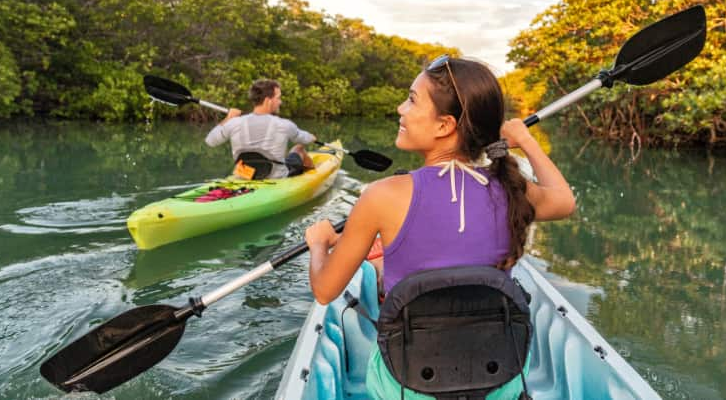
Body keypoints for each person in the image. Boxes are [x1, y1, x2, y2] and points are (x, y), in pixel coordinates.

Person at [304, 55, 577, 398]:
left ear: (445, 125)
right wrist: (525, 140)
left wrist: (318, 244)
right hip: (497, 383)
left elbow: (326, 291)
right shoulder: (511, 189)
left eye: (412, 100)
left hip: (408, 386)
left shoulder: (381, 196)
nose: (401, 109)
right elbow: (564, 201)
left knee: (377, 273)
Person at [204, 79, 316, 179]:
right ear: (268, 100)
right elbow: (304, 139)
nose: (280, 102)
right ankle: (314, 179)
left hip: (245, 175)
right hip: (276, 178)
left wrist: (228, 118)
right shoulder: (284, 125)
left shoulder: (234, 123)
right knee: (298, 148)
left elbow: (210, 141)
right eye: (278, 98)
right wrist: (312, 137)